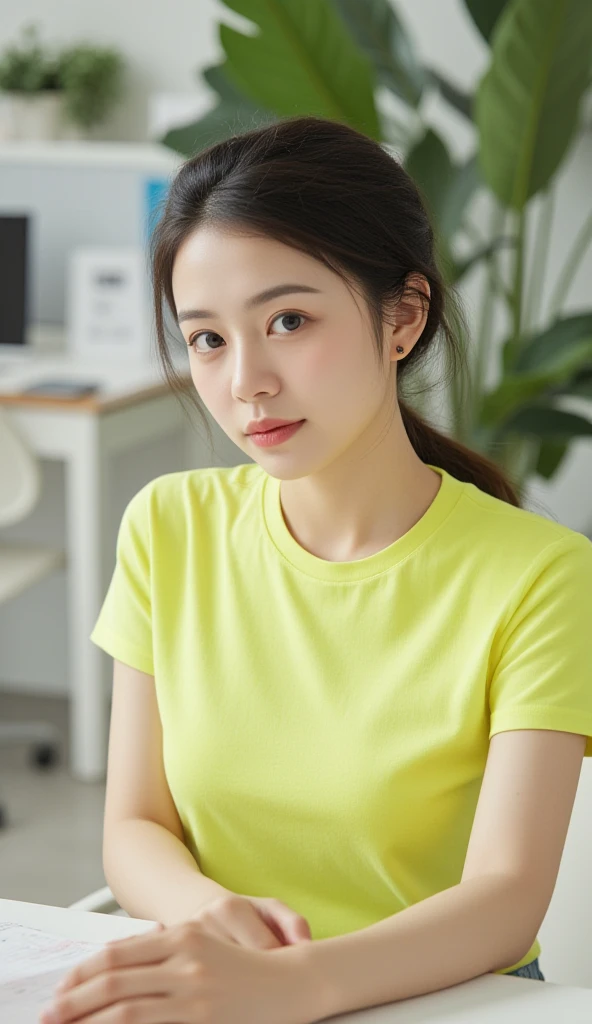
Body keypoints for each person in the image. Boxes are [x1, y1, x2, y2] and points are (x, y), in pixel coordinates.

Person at [41, 114, 591, 1024]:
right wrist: (214, 919)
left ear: (403, 316)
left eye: (288, 320)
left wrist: (286, 987)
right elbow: (135, 829)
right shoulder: (169, 527)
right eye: (208, 339)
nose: (246, 380)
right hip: (224, 991)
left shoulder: (540, 575)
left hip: (451, 1004)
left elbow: (505, 900)